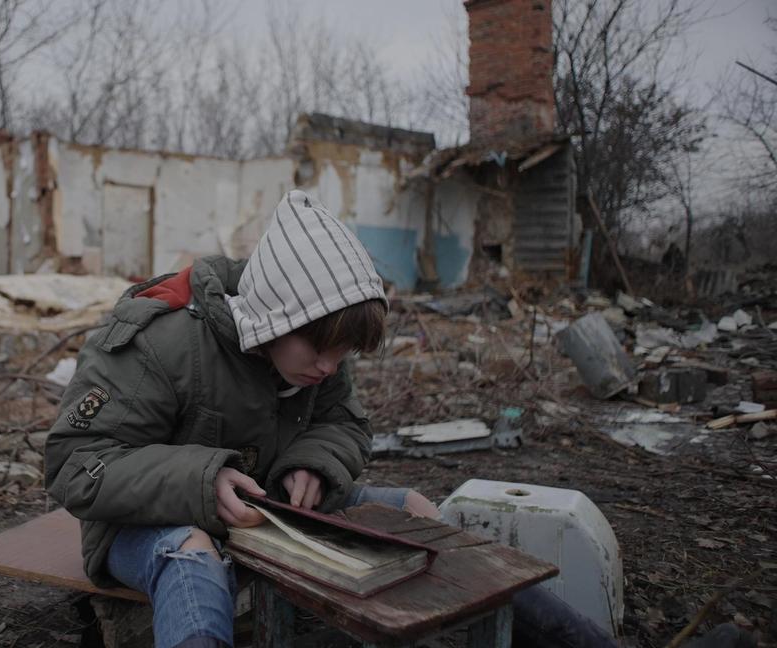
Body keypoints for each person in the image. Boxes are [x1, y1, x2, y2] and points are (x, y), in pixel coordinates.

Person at [45, 190, 619, 648]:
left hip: (270, 510)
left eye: (342, 354)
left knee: (418, 514)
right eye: (319, 350)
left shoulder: (321, 345)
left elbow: (344, 425)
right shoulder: (160, 341)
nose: (329, 367)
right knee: (191, 554)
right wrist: (203, 479)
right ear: (272, 319)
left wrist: (313, 466)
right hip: (143, 524)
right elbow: (75, 465)